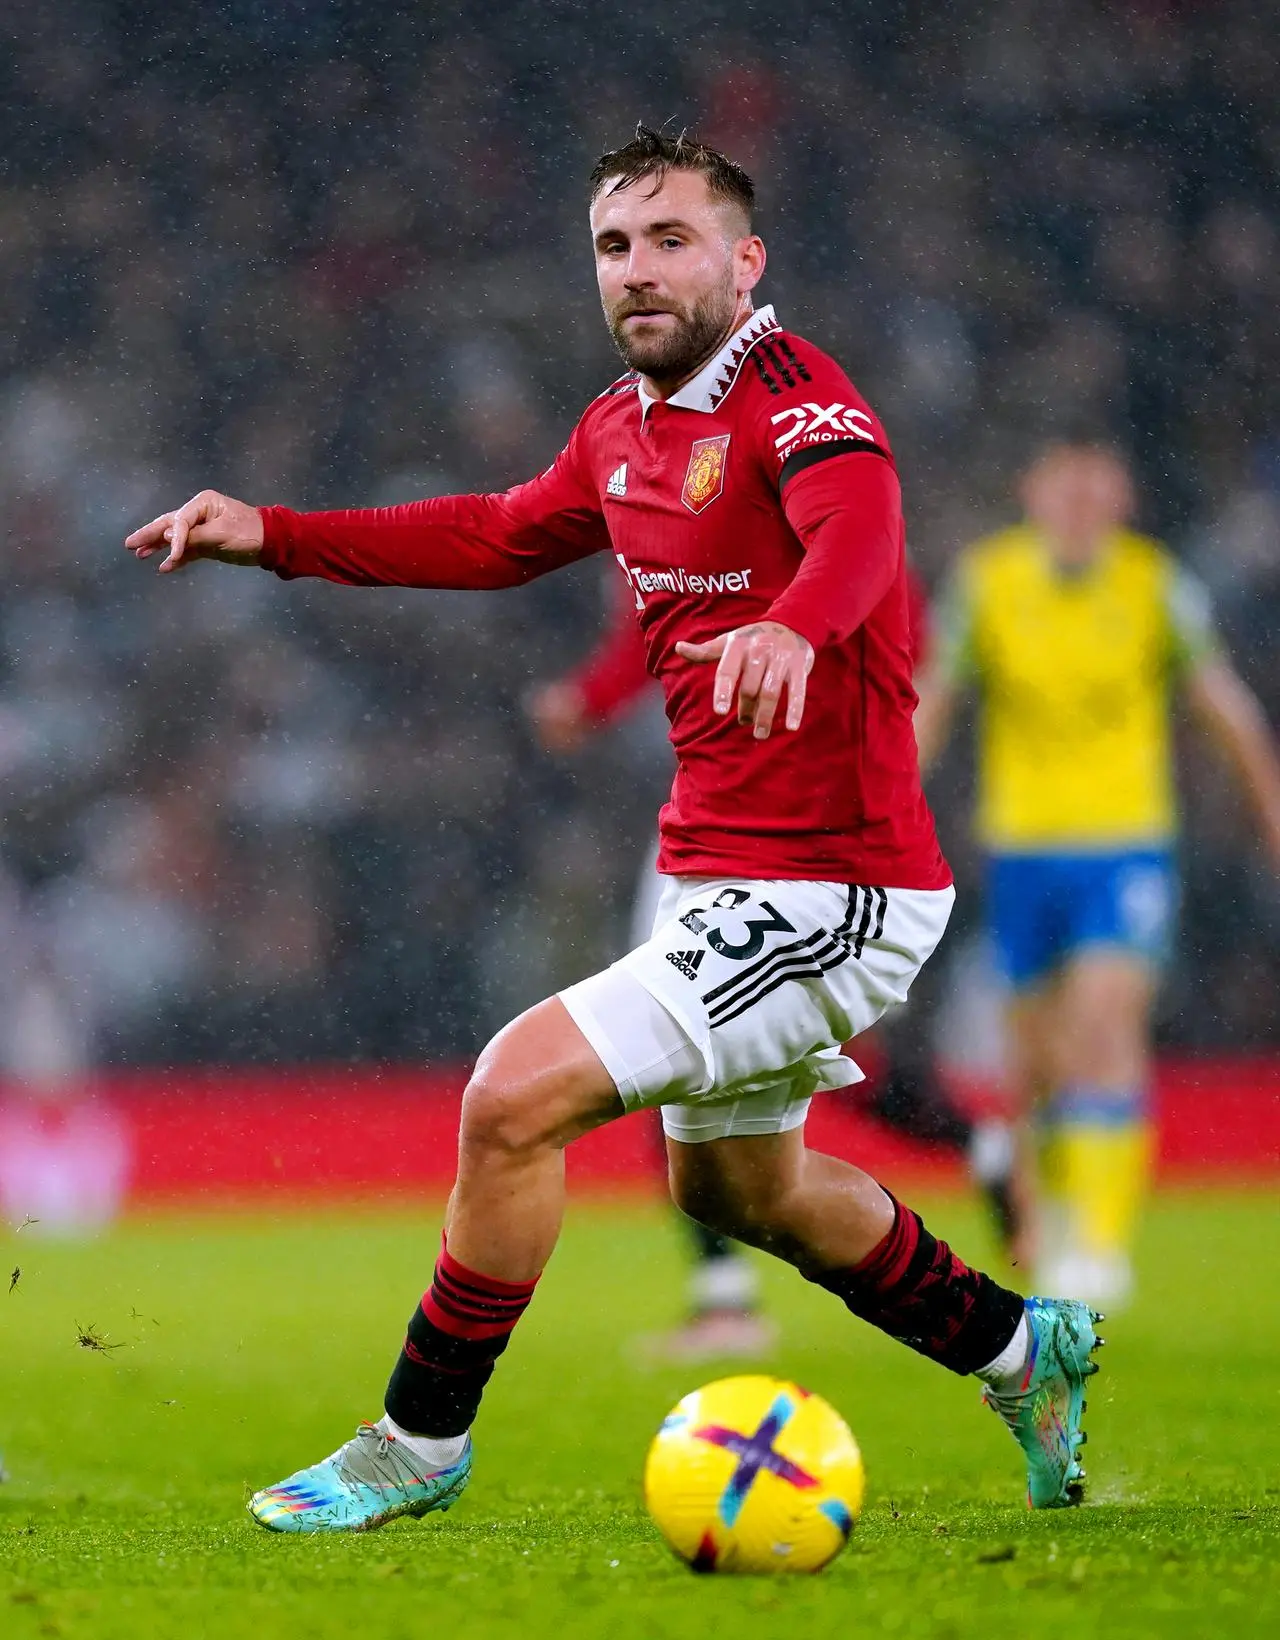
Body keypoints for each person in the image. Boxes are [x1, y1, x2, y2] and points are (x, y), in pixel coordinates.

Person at [127, 127, 1100, 1534]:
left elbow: (865, 532)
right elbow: (489, 535)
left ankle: (417, 1440)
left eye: (670, 240)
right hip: (722, 874)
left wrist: (795, 622)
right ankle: (1024, 1348)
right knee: (746, 1189)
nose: (636, 272)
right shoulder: (619, 429)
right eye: (612, 246)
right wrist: (270, 532)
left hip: (837, 883)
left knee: (511, 1098)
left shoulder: (797, 396)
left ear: (742, 261)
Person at [528, 573, 1021, 1362]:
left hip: (818, 847)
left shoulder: (824, 505)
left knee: (686, 1054)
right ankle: (985, 1156)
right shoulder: (687, 509)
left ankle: (731, 1301)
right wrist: (588, 699)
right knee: (795, 1065)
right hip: (718, 829)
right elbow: (649, 636)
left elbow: (908, 649)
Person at [914, 441, 1280, 1305]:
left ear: (1122, 492)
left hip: (1125, 844)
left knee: (1104, 1026)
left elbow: (1223, 706)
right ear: (1031, 489)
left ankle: (1100, 1243)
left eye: (1096, 480)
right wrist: (888, 801)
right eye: (1062, 479)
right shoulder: (988, 582)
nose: (1079, 498)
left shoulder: (1154, 585)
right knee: (1034, 1063)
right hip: (1022, 849)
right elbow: (938, 695)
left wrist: (1269, 811)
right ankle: (1049, 1230)